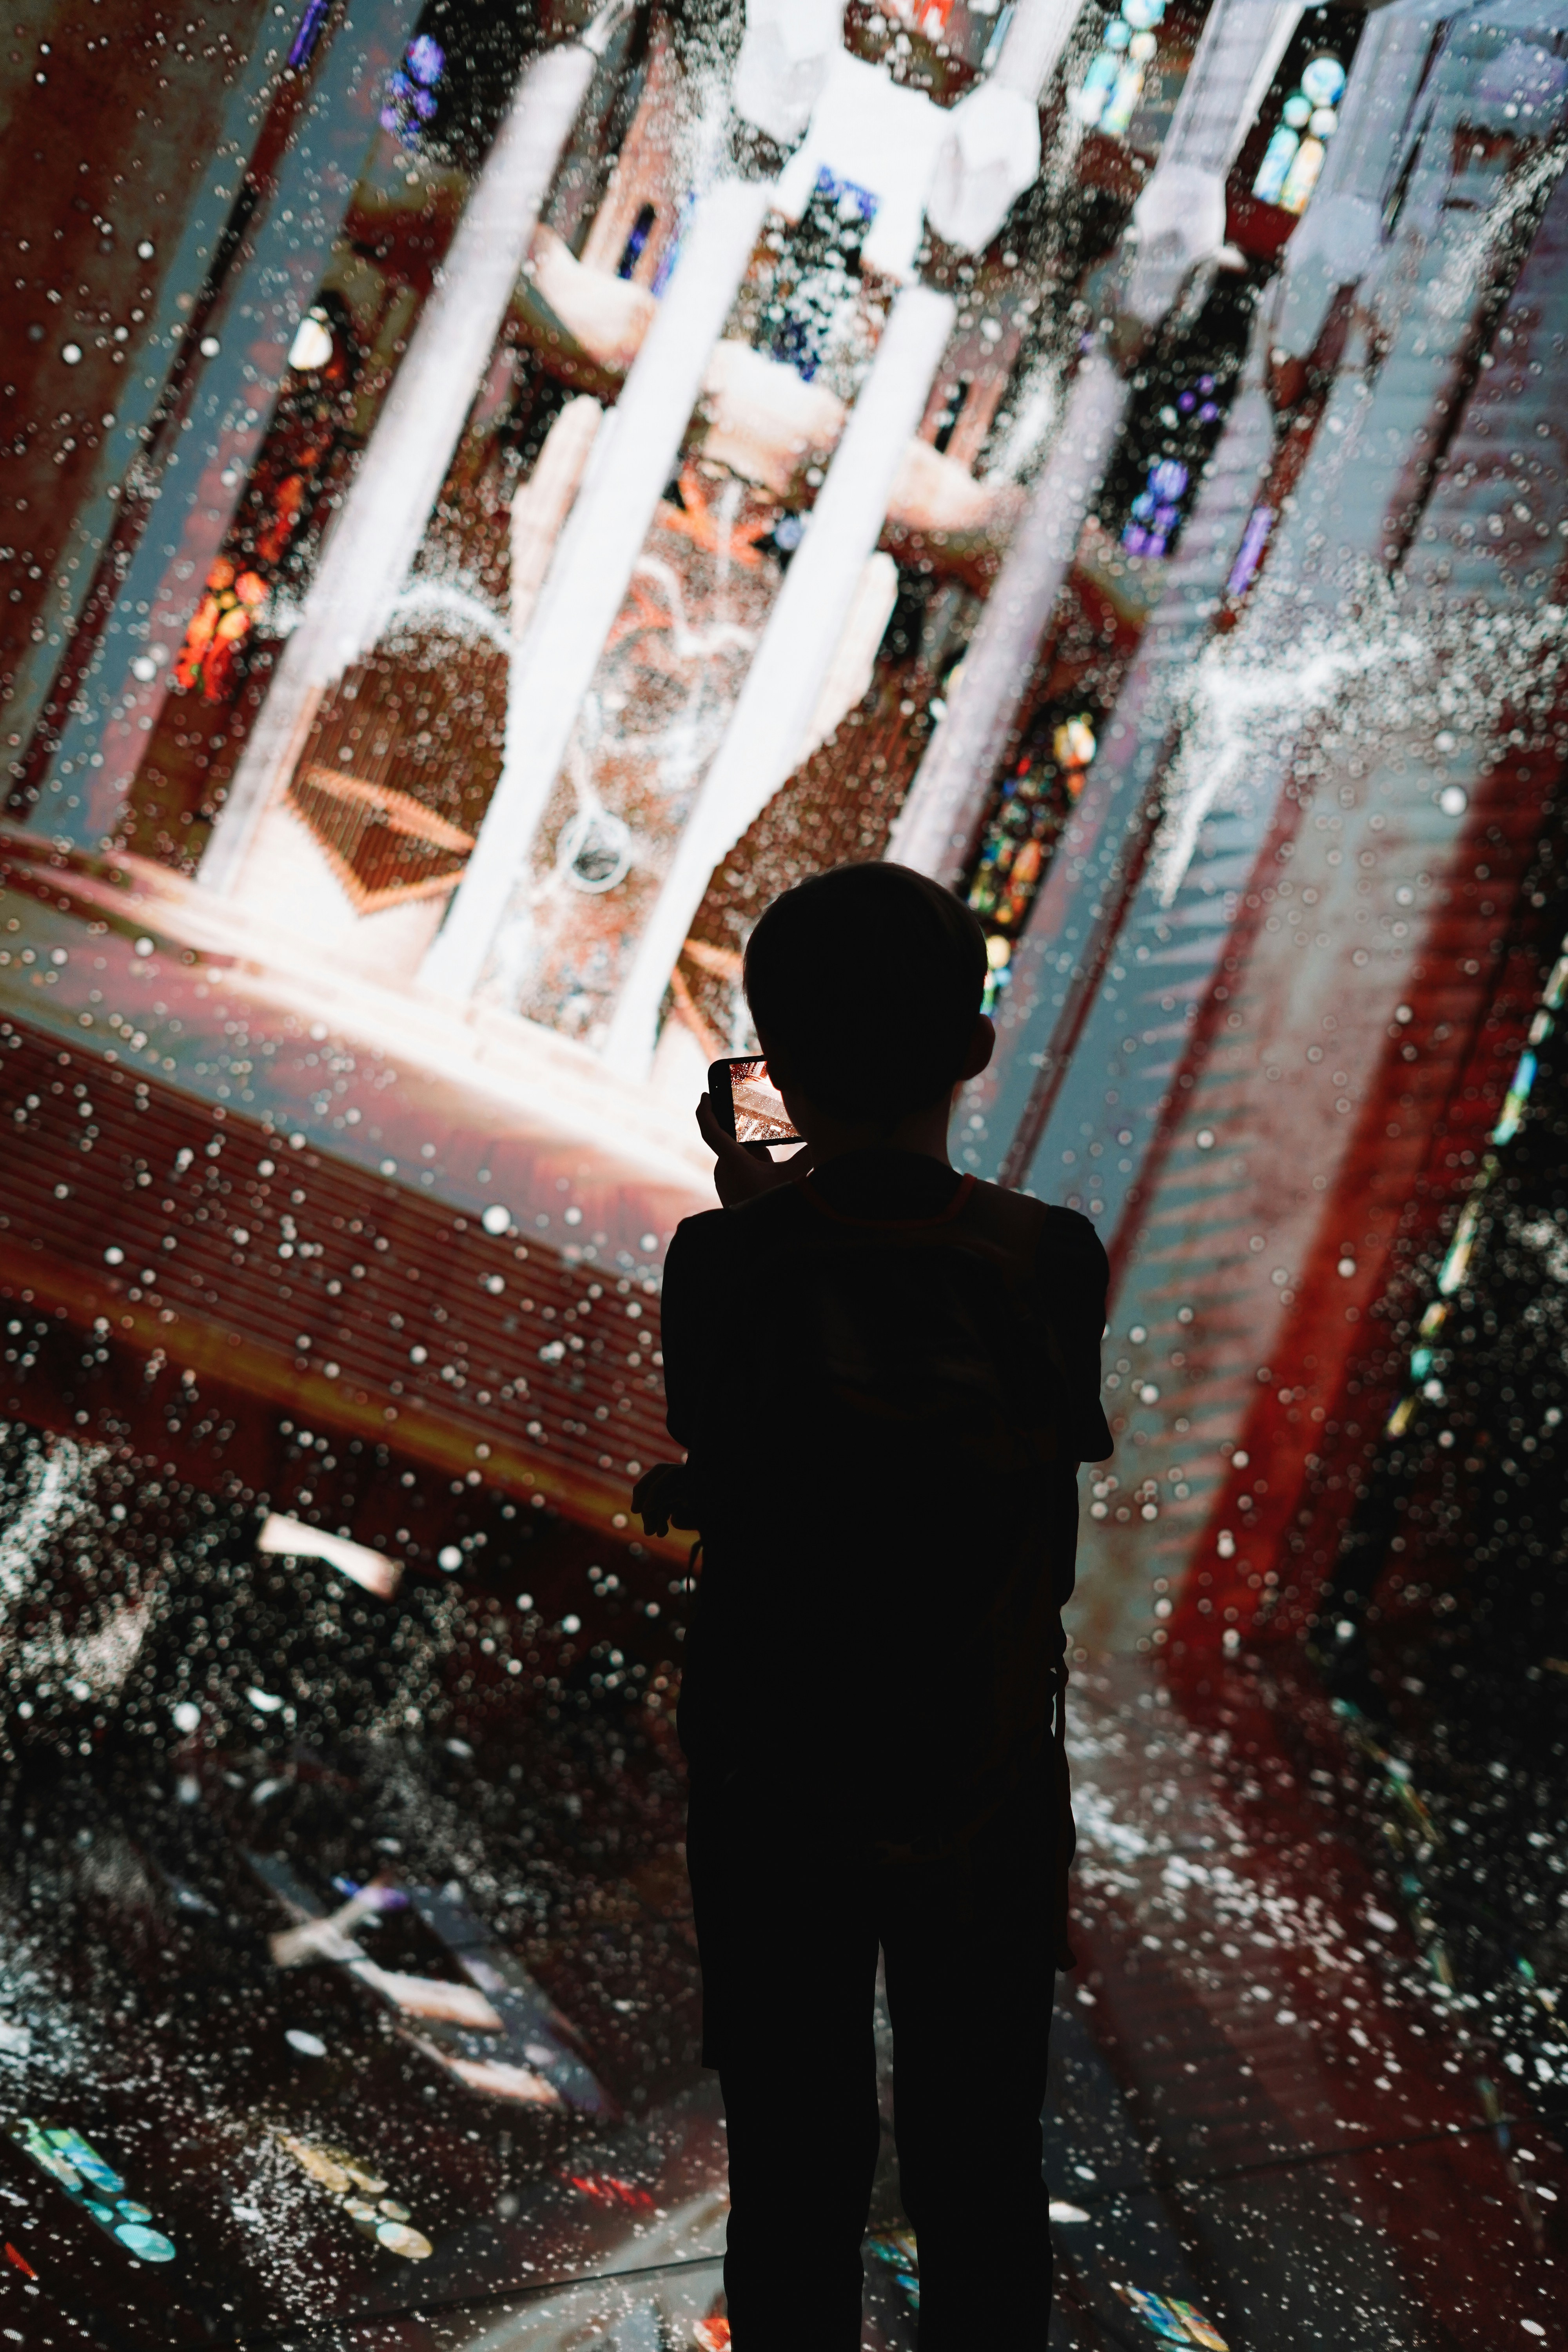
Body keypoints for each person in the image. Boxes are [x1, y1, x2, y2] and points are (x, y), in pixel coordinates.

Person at [634, 863, 1112, 2349]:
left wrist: (755, 1214)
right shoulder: (1048, 1259)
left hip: (775, 1784)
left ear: (772, 1070)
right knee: (982, 2160)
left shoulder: (722, 1260)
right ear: (970, 1050)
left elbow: (727, 1442)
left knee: (794, 2160)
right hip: (981, 1778)